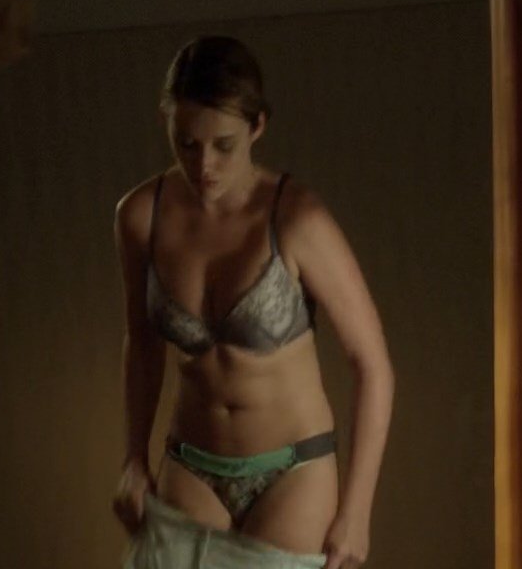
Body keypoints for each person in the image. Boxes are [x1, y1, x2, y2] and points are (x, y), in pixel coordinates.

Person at [113, 36, 395, 569]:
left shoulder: (297, 217)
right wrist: (133, 457)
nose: (204, 165)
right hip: (190, 466)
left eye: (224, 145)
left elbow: (373, 364)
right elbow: (143, 342)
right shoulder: (140, 217)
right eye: (186, 143)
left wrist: (357, 510)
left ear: (257, 126)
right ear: (167, 122)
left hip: (292, 474)